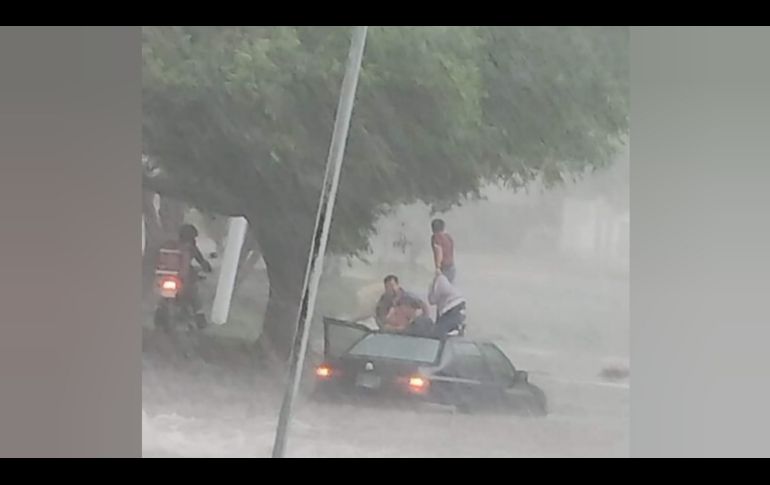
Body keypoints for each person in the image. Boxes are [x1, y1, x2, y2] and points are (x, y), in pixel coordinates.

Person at [176, 224, 213, 329]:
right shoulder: (190, 248)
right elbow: (201, 260)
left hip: (171, 278)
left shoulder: (173, 245)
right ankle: (200, 320)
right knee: (195, 298)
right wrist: (207, 268)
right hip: (184, 280)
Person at [428, 272, 467, 337]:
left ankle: (455, 330)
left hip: (451, 309)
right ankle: (456, 329)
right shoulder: (447, 281)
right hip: (458, 307)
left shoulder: (440, 279)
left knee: (439, 333)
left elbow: (432, 300)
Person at [430, 218, 456, 283]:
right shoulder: (448, 237)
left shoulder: (436, 237)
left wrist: (438, 267)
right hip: (452, 267)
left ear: (432, 229)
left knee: (437, 287)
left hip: (444, 269)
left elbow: (439, 251)